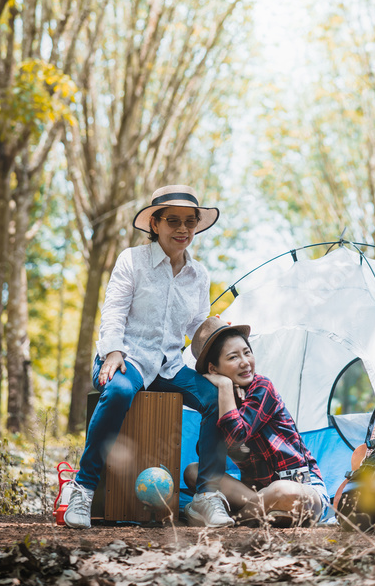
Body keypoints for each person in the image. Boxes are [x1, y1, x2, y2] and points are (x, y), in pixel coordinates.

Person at [64, 184, 234, 530]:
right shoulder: (132, 260)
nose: (183, 229)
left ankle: (205, 496)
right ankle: (82, 487)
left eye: (190, 221)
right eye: (173, 221)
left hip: (170, 366)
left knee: (217, 397)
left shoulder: (199, 275)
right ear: (155, 224)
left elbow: (196, 329)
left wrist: (215, 346)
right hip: (125, 357)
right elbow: (113, 312)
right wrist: (112, 350)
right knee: (121, 391)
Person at [184, 317, 331, 525]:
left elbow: (237, 436)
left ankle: (236, 520)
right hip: (257, 494)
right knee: (193, 471)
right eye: (233, 357)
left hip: (301, 489)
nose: (245, 362)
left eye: (247, 352)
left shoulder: (262, 387)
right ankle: (266, 513)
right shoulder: (220, 400)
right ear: (213, 369)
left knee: (281, 490)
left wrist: (225, 386)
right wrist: (224, 395)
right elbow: (206, 450)